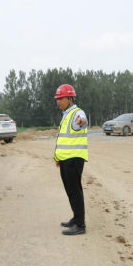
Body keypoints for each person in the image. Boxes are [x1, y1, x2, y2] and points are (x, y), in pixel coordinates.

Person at [54, 84, 88, 236]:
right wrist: (58, 157)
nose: (58, 101)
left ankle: (80, 224)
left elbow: (83, 120)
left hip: (74, 159)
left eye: (61, 98)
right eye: (57, 99)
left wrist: (82, 122)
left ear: (70, 98)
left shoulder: (77, 113)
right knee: (70, 191)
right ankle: (76, 218)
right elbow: (63, 139)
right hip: (65, 159)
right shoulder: (66, 114)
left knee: (75, 191)